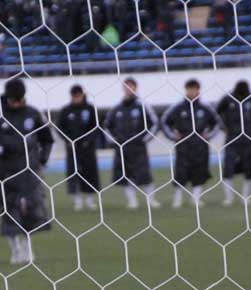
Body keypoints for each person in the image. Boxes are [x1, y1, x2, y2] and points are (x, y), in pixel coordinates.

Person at [0, 78, 54, 265]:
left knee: (30, 211)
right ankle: (15, 250)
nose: (16, 104)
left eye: (19, 100)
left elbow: (47, 138)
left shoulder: (33, 113)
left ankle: (28, 249)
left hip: (30, 171)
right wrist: (1, 150)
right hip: (6, 172)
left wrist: (42, 160)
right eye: (13, 100)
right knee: (9, 211)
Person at [160, 79, 221, 208]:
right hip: (183, 145)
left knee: (200, 172)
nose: (192, 91)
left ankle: (196, 199)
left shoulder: (205, 108)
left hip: (200, 146)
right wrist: (173, 135)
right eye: (189, 89)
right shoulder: (177, 108)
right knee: (181, 173)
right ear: (186, 90)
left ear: (198, 90)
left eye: (194, 89)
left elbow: (217, 123)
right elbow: (164, 122)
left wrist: (208, 135)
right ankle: (177, 199)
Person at [102, 77, 159, 210]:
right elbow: (106, 126)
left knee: (145, 175)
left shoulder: (142, 106)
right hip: (122, 148)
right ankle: (132, 201)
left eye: (131, 86)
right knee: (126, 176)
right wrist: (114, 141)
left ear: (135, 88)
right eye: (126, 87)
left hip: (138, 147)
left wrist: (145, 139)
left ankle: (152, 200)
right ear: (123, 89)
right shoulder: (117, 108)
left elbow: (155, 123)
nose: (128, 89)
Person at [216, 80, 251, 206]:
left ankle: (246, 196)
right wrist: (223, 126)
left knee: (249, 167)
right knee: (228, 167)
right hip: (231, 138)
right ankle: (229, 197)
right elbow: (216, 112)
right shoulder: (228, 99)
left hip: (248, 138)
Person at [56, 84, 100, 211]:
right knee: (74, 173)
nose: (77, 98)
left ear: (82, 95)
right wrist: (67, 140)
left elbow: (96, 127)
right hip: (72, 147)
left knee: (90, 172)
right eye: (74, 96)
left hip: (88, 148)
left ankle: (90, 200)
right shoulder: (66, 110)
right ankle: (77, 200)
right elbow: (60, 128)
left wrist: (89, 140)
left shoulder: (90, 109)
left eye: (79, 96)